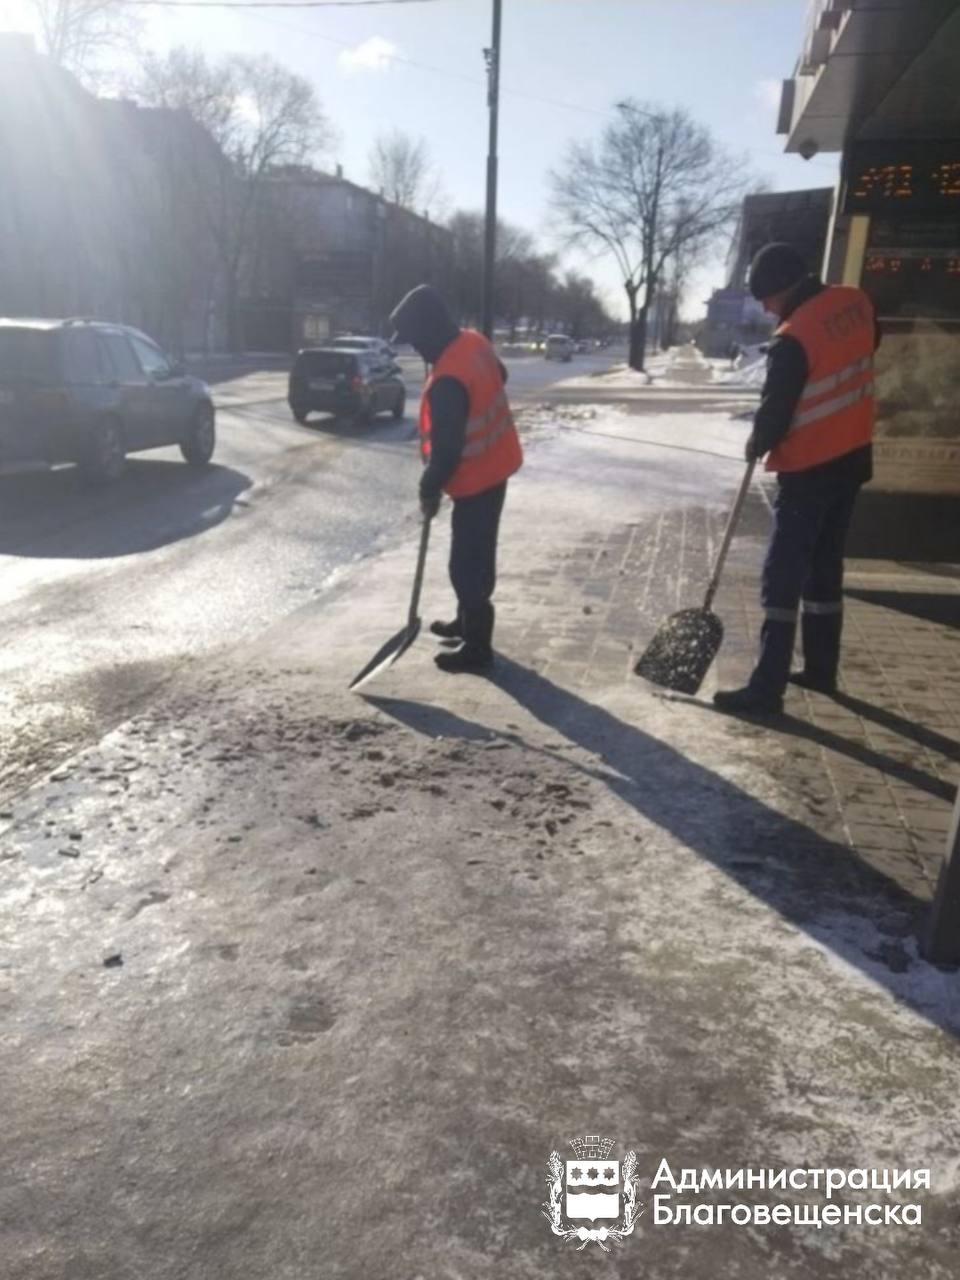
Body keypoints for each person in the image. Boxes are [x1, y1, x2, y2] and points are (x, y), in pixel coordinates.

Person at [713, 242, 880, 716]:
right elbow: (865, 350)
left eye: (767, 297)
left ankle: (767, 689)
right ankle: (822, 669)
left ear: (784, 287)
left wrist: (757, 441)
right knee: (825, 565)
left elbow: (777, 408)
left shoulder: (794, 336)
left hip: (809, 468)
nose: (766, 307)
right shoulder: (857, 303)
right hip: (852, 460)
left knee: (781, 576)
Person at [388, 284, 523, 674]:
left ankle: (478, 647)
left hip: (478, 479)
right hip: (497, 466)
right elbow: (501, 372)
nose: (415, 349)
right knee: (476, 556)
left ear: (428, 331)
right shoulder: (472, 342)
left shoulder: (448, 379)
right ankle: (466, 623)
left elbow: (446, 452)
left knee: (467, 566)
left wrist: (427, 487)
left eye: (415, 340)